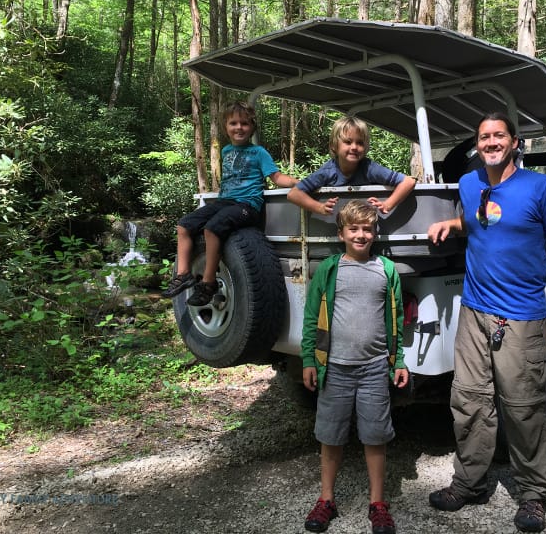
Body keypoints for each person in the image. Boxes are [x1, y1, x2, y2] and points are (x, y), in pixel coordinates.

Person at [426, 112, 546, 533]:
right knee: (470, 400)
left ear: (514, 142)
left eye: (498, 135)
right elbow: (483, 222)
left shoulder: (541, 188)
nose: (491, 142)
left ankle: (533, 494)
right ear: (478, 145)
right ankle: (470, 482)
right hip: (474, 310)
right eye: (483, 137)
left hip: (522, 316)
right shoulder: (470, 183)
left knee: (524, 406)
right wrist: (450, 223)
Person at [301, 200, 410, 534]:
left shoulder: (387, 270)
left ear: (375, 232)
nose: (361, 235)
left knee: (375, 436)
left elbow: (398, 319)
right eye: (354, 229)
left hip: (375, 368)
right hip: (334, 368)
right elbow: (311, 318)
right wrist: (309, 359)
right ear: (342, 233)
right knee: (330, 436)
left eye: (367, 229)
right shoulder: (329, 269)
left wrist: (399, 360)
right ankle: (326, 499)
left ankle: (378, 503)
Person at [162, 101, 298, 304]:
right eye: (233, 123)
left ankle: (208, 283)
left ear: (252, 127)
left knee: (213, 228)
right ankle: (183, 275)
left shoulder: (259, 152)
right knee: (184, 225)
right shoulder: (225, 151)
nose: (239, 127)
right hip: (225, 201)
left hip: (247, 205)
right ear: (226, 127)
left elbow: (277, 178)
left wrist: (301, 183)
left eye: (244, 123)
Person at [287, 116, 415, 216]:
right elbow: (294, 194)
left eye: (359, 142)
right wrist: (319, 207)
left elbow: (408, 182)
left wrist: (387, 204)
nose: (354, 147)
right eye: (348, 142)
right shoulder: (328, 171)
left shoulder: (369, 168)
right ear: (334, 146)